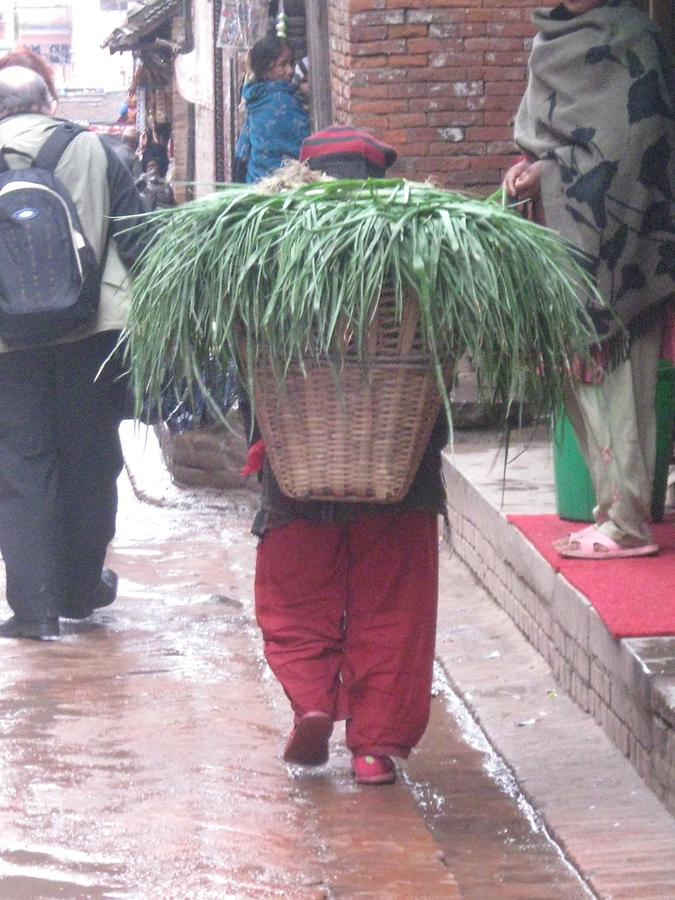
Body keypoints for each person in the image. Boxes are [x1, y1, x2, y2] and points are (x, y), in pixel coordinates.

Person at [242, 126, 447, 785]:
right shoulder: (423, 243)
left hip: (296, 458)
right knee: (393, 603)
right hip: (399, 460)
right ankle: (372, 751)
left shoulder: (260, 246)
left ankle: (310, 700)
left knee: (294, 592)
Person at [504, 0, 674, 560]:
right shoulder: (550, 39)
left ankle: (628, 521)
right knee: (582, 386)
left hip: (622, 244)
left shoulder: (633, 39)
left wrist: (546, 176)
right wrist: (527, 170)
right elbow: (547, 135)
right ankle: (608, 511)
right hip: (565, 240)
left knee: (624, 385)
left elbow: (637, 140)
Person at [0, 65, 147, 640]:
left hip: (9, 342)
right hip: (93, 332)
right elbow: (137, 236)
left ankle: (34, 609)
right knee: (91, 457)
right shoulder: (96, 149)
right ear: (50, 101)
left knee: (22, 465)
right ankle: (81, 589)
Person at [234, 35, 310, 184]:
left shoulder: (256, 96)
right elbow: (304, 143)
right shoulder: (281, 101)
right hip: (281, 186)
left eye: (291, 63)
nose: (290, 70)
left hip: (255, 182)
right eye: (282, 65)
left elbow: (243, 151)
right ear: (265, 71)